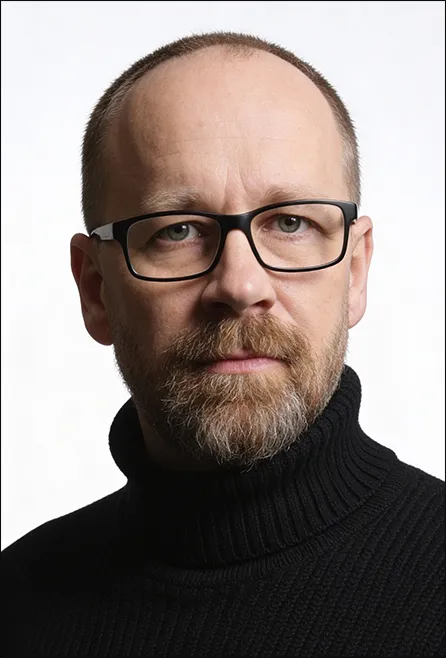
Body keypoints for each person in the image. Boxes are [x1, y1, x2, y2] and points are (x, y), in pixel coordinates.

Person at [2, 31, 444, 658]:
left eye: (291, 222)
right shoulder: (15, 603)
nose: (240, 286)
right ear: (95, 288)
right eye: (177, 230)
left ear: (355, 272)